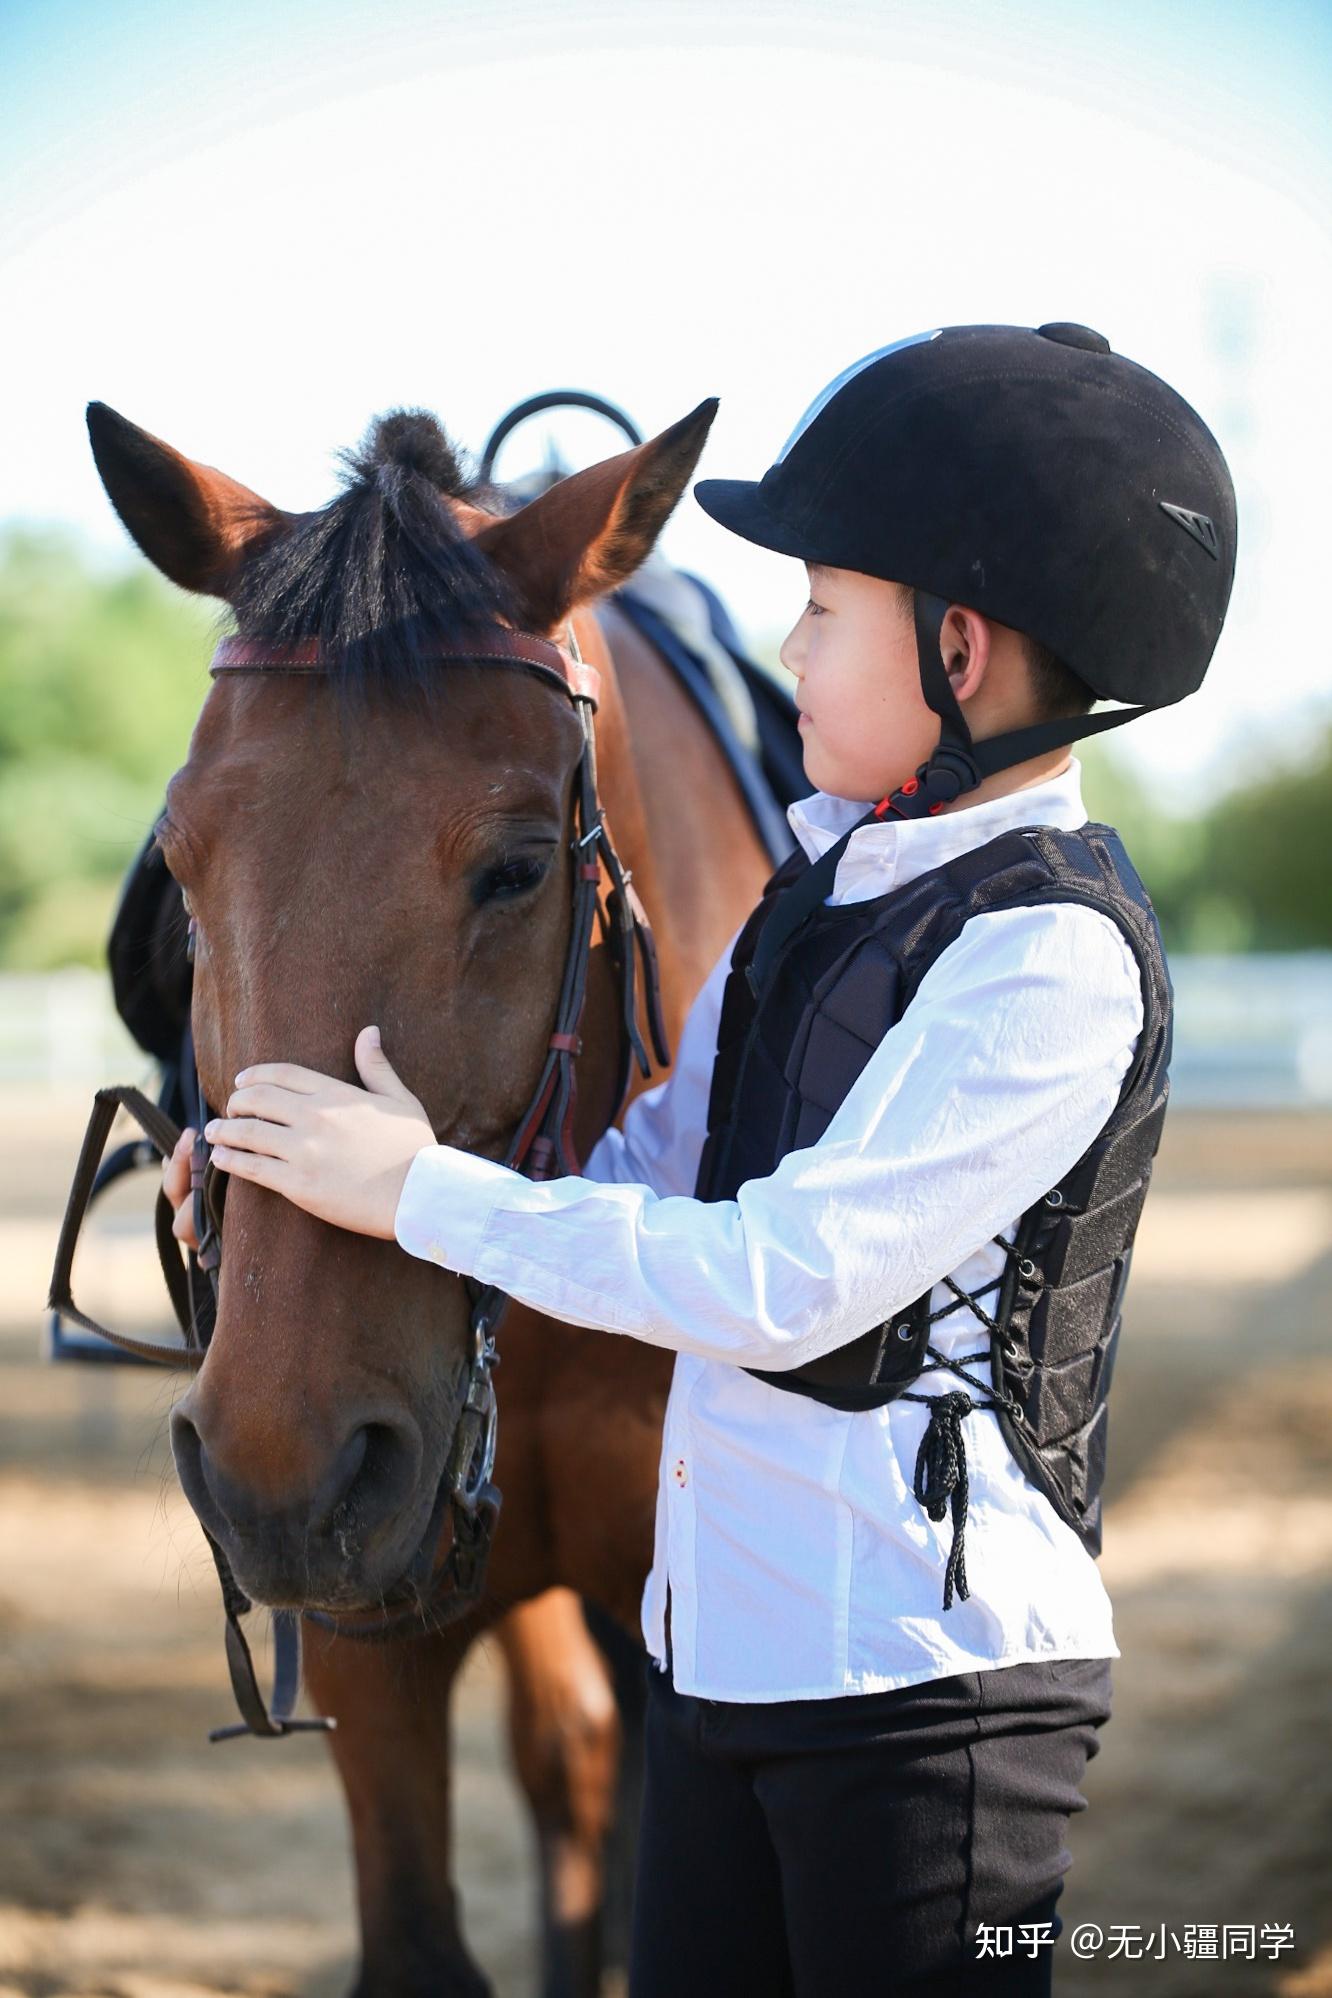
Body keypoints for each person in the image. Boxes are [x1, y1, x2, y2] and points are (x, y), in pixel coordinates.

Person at [163, 322, 1237, 1993]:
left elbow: (785, 1277)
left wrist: (418, 1191)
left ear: (959, 651)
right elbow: (652, 1157)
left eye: (817, 612)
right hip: (726, 1662)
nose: (782, 649)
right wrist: (290, 1158)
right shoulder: (807, 902)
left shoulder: (1051, 957)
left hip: (925, 1697)